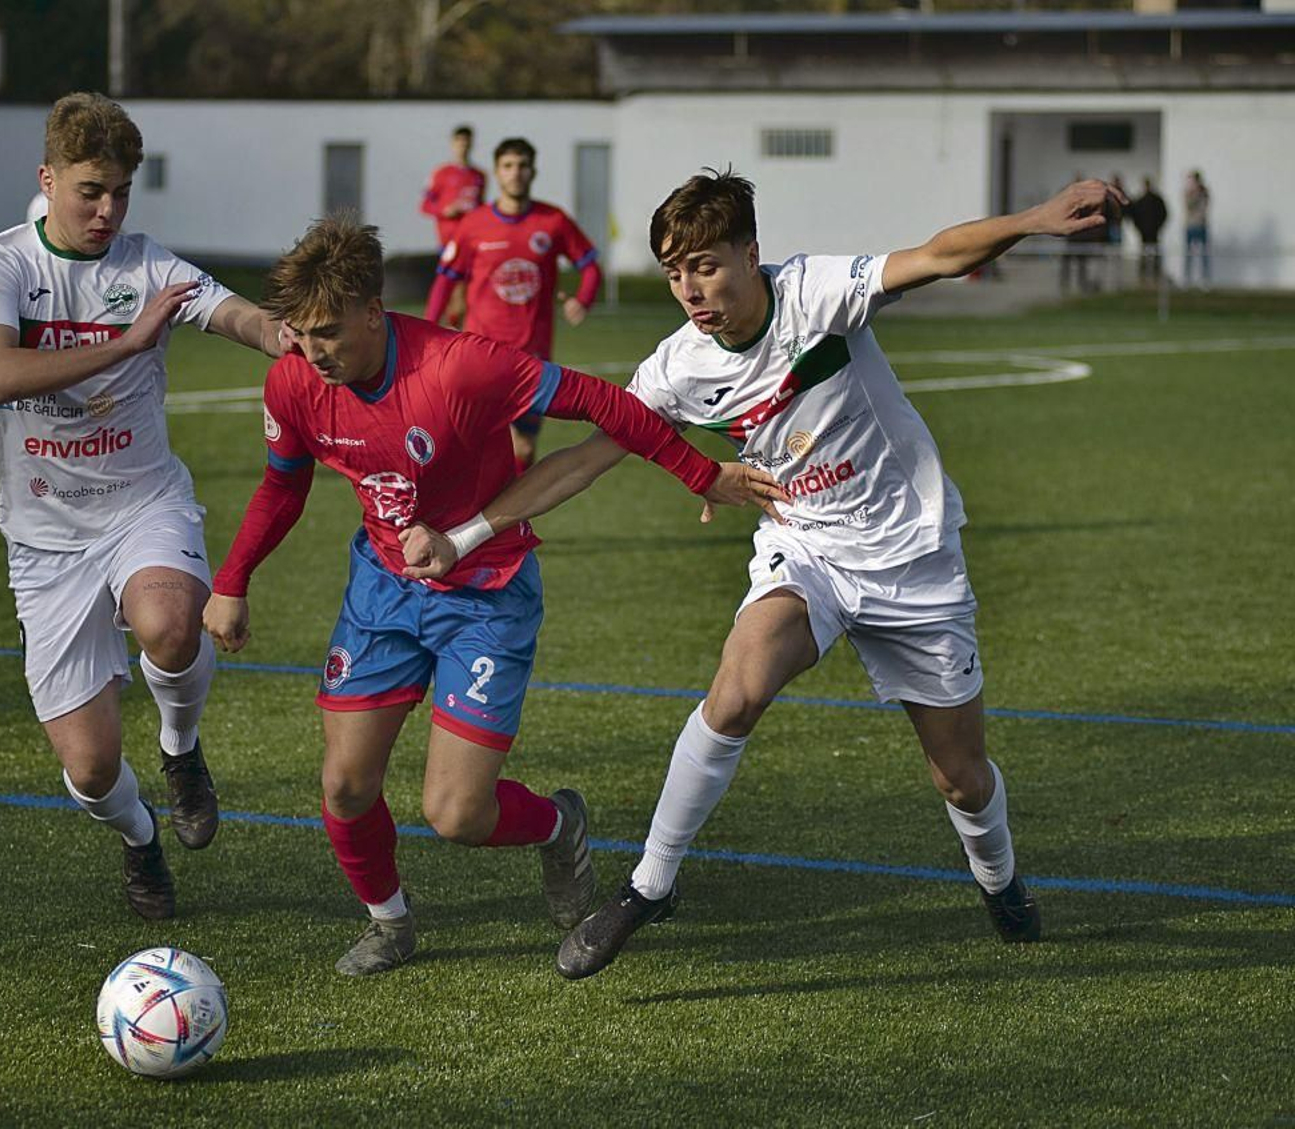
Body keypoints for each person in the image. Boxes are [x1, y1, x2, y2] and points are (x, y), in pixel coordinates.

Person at [399, 169, 1127, 980]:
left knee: (960, 777)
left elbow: (936, 256)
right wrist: (462, 537)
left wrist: (1037, 218)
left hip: (912, 557)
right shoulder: (678, 366)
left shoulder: (816, 293)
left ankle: (1000, 879)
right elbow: (587, 458)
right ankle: (649, 886)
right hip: (804, 549)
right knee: (736, 690)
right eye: (675, 272)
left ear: (752, 253)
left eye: (707, 265)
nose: (691, 290)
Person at [202, 214, 779, 977]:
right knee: (344, 783)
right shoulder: (296, 380)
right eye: (301, 337)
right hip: (383, 589)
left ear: (374, 312)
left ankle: (558, 825)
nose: (314, 354)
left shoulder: (458, 366)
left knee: (458, 813)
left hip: (486, 588)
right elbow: (282, 487)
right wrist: (231, 581)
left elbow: (608, 405)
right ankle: (389, 922)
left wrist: (701, 473)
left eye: (329, 335)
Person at [0, 92, 283, 921]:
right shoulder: (2, 268)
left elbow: (236, 314)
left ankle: (182, 750)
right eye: (90, 191)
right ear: (48, 179)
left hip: (144, 503)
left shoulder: (149, 266)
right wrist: (128, 341)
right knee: (92, 766)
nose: (108, 211)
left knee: (172, 621)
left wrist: (297, 336)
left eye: (121, 193)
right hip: (44, 541)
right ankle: (140, 837)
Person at [425, 137, 602, 472]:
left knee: (523, 445)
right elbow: (445, 279)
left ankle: (513, 520)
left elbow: (591, 265)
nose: (515, 173)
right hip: (478, 351)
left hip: (530, 357)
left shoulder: (553, 221)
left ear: (533, 171)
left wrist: (583, 299)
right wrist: (430, 327)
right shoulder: (473, 224)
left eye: (522, 166)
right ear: (496, 172)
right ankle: (465, 516)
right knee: (468, 443)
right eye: (508, 166)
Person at [419, 125, 485, 330]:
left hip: (472, 241)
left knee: (466, 292)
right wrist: (444, 210)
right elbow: (425, 205)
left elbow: (480, 206)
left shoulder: (479, 176)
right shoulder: (442, 173)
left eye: (467, 142)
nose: (463, 146)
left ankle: (455, 329)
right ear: (453, 144)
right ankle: (445, 329)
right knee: (454, 290)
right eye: (459, 142)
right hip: (449, 242)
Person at [1127, 177, 1169, 286]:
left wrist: (1158, 227)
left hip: (1153, 232)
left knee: (1155, 254)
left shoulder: (1156, 200)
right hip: (1144, 233)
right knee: (1144, 255)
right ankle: (1143, 277)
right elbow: (1134, 217)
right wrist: (1140, 229)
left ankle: (1155, 276)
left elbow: (1163, 215)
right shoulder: (1140, 201)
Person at [1184, 170, 1211, 289]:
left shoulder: (1204, 192)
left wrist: (1198, 193)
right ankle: (1187, 279)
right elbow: (1188, 206)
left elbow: (1204, 207)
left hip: (1201, 225)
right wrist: (1193, 193)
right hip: (1190, 226)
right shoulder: (1188, 192)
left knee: (1204, 254)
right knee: (1188, 254)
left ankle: (1204, 280)